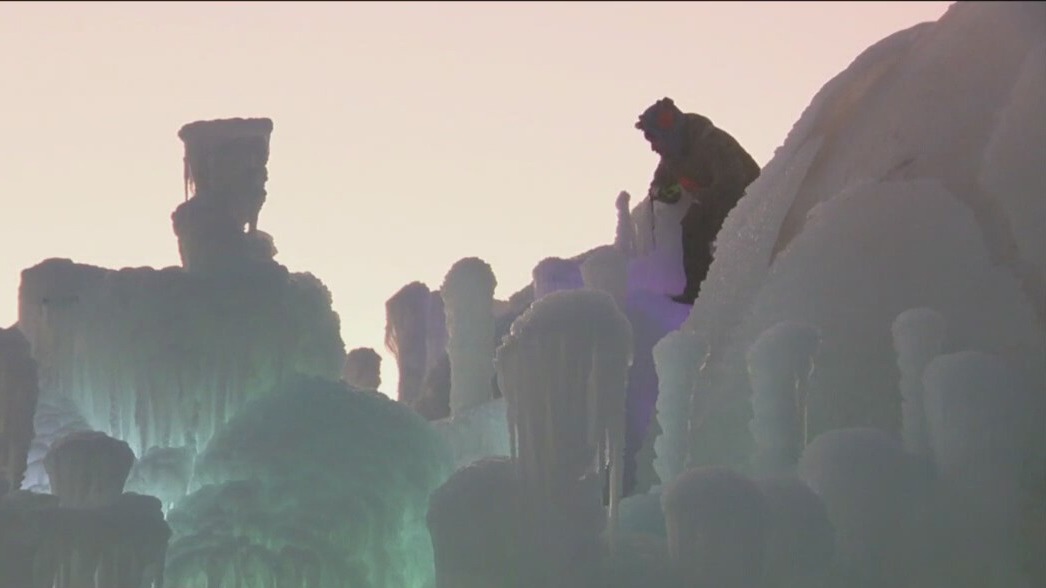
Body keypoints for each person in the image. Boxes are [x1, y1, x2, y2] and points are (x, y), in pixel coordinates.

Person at [636, 97, 761, 305]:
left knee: (695, 224)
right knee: (695, 225)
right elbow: (660, 183)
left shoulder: (712, 143)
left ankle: (701, 294)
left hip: (750, 202)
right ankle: (706, 291)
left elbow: (731, 182)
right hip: (719, 203)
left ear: (667, 130)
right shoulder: (672, 157)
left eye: (653, 138)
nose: (653, 147)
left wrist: (701, 199)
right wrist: (662, 191)